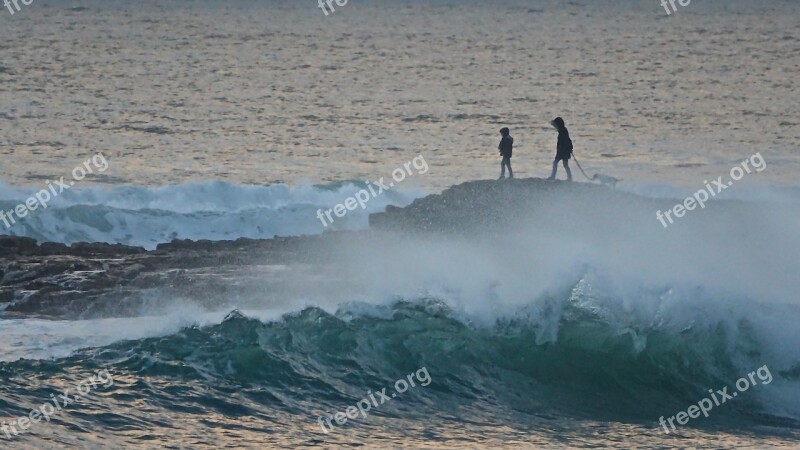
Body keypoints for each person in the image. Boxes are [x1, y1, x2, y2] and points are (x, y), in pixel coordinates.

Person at [546, 117, 572, 181]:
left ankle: (554, 176)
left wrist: (568, 149)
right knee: (563, 164)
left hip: (563, 151)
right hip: (562, 151)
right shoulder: (562, 131)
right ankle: (569, 177)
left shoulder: (563, 131)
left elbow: (567, 141)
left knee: (560, 163)